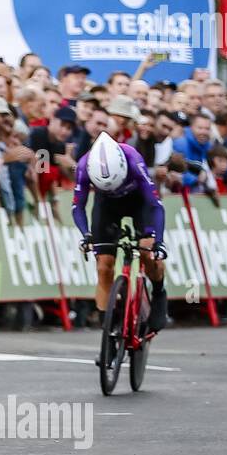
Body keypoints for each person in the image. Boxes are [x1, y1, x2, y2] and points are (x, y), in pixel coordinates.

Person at [72, 133, 167, 345]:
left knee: (147, 251)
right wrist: (86, 234)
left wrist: (158, 241)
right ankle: (110, 326)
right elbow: (78, 206)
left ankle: (159, 292)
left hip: (138, 202)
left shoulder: (133, 160)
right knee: (104, 266)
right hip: (107, 205)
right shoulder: (83, 166)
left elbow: (156, 205)